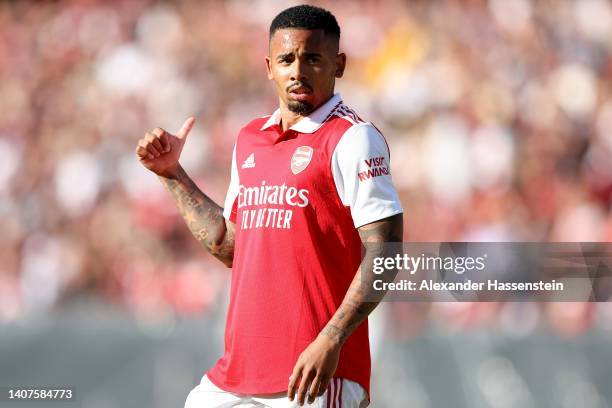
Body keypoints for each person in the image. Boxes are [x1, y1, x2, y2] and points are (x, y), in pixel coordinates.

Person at [135, 5, 403, 407]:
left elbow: (385, 254)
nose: (298, 70)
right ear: (268, 66)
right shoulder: (250, 138)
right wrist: (172, 173)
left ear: (339, 64)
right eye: (286, 59)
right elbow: (229, 246)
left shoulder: (353, 139)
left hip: (313, 377)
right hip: (236, 375)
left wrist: (329, 340)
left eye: (313, 58)